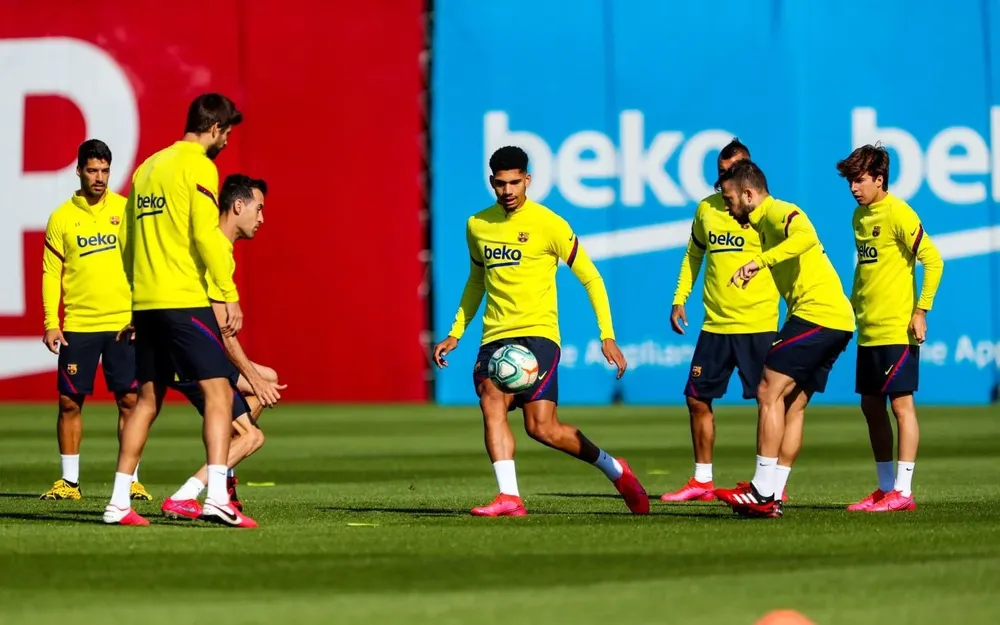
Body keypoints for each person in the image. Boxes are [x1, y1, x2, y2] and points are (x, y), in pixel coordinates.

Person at [432, 145, 648, 517]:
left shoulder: (550, 224)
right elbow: (475, 283)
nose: (508, 191)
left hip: (538, 335)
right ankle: (510, 497)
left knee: (542, 429)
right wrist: (456, 333)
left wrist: (607, 334)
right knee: (490, 399)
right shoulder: (477, 225)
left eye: (515, 182)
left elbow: (592, 278)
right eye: (501, 184)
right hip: (494, 337)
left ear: (528, 179)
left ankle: (615, 469)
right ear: (492, 183)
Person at [105, 93, 252, 527]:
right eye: (226, 133)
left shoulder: (147, 167)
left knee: (146, 402)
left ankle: (117, 503)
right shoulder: (199, 166)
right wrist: (227, 291)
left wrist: (136, 298)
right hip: (184, 299)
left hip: (146, 303)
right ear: (214, 129)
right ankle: (217, 499)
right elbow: (207, 237)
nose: (225, 141)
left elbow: (126, 242)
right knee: (219, 394)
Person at [713, 161, 855, 518]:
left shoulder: (779, 211)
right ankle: (772, 492)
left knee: (767, 390)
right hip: (836, 320)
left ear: (749, 194)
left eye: (730, 200)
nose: (728, 209)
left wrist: (759, 263)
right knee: (791, 404)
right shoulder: (763, 223)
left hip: (817, 315)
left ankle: (762, 491)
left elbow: (806, 236)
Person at [662, 139, 784, 503]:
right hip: (716, 325)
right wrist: (679, 298)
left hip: (758, 323)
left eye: (733, 171)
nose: (726, 179)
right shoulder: (708, 210)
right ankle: (702, 480)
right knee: (696, 399)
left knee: (773, 402)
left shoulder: (769, 212)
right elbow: (693, 256)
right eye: (721, 173)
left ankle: (773, 482)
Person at [158, 174, 285, 520]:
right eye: (259, 209)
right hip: (190, 353)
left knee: (267, 381)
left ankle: (222, 472)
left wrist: (257, 380)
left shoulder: (219, 248)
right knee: (253, 436)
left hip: (186, 344)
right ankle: (194, 491)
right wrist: (252, 378)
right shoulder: (214, 248)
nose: (262, 219)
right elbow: (224, 334)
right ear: (238, 206)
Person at [39, 139, 151, 502]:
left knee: (130, 402)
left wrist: (141, 313)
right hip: (79, 325)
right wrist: (50, 321)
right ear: (79, 171)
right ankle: (69, 482)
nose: (100, 177)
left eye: (105, 170)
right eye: (93, 170)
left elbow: (140, 264)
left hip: (122, 323)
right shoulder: (61, 218)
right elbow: (50, 272)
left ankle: (130, 479)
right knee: (69, 403)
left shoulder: (124, 209)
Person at [836, 144, 944, 512]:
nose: (853, 187)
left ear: (879, 179)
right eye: (851, 180)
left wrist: (921, 311)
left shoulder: (899, 212)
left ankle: (904, 490)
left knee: (901, 406)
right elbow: (866, 271)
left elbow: (934, 260)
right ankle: (885, 489)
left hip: (897, 330)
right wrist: (850, 305)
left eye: (859, 180)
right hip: (868, 329)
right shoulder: (858, 216)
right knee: (870, 406)